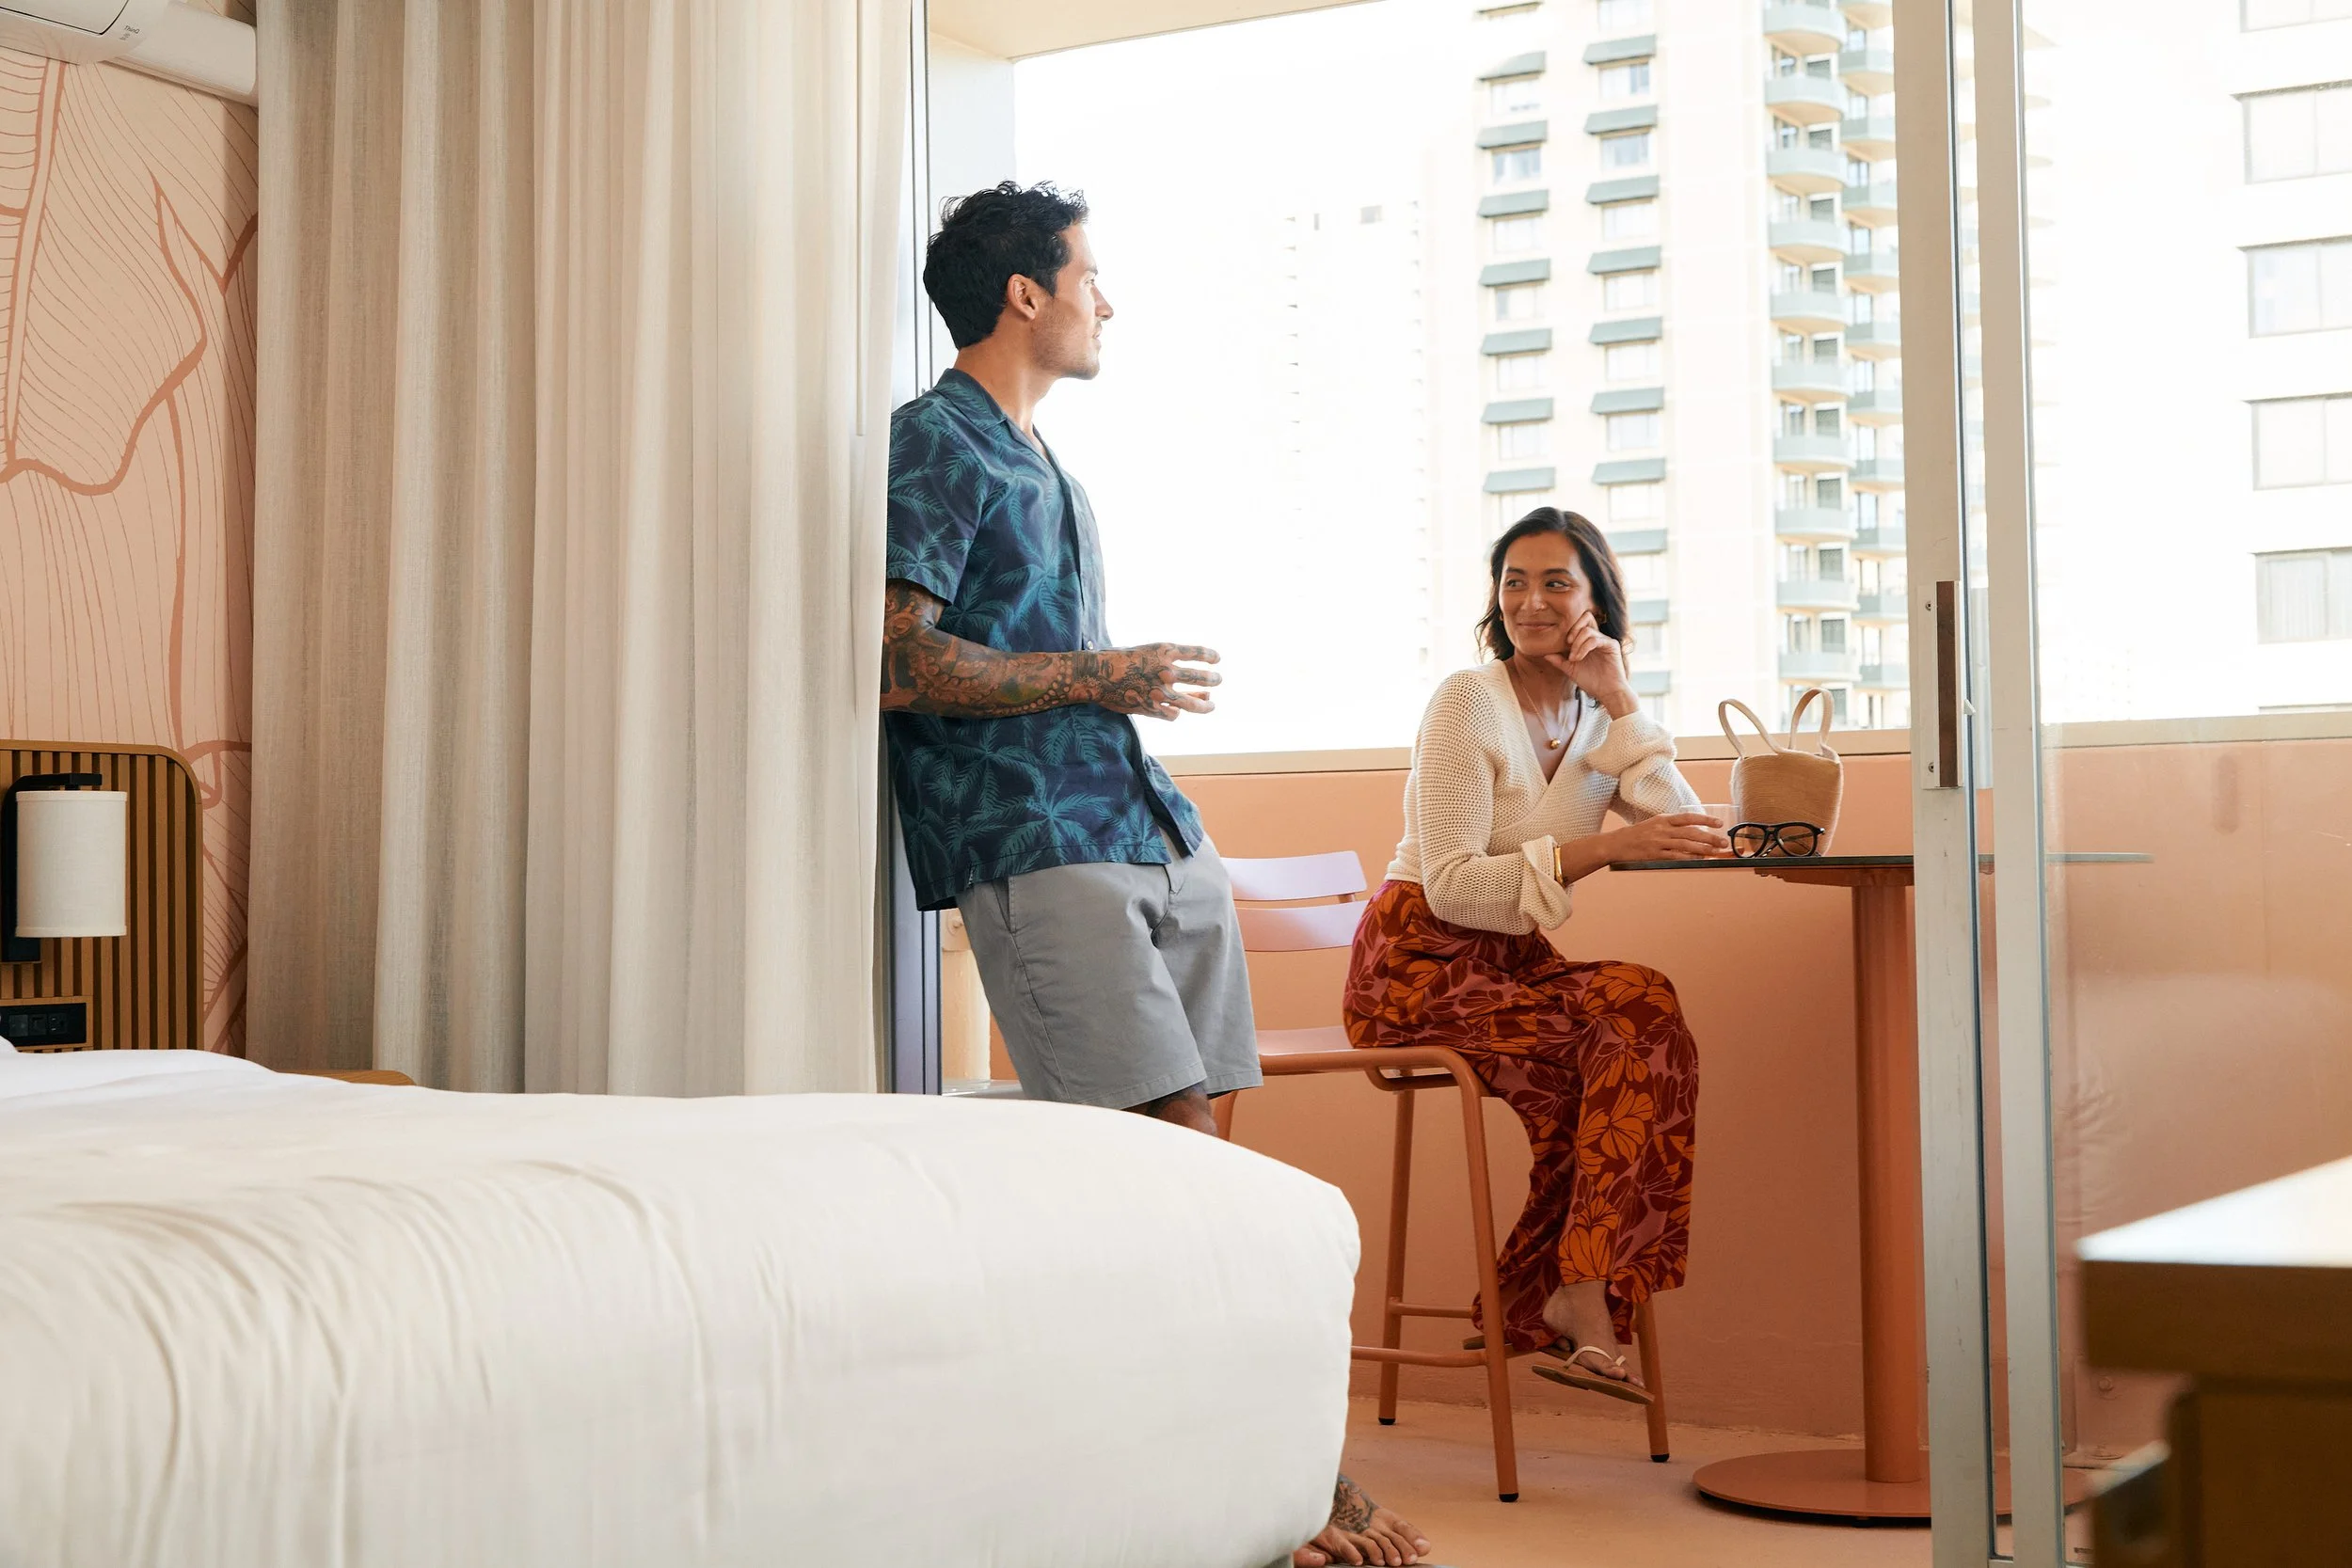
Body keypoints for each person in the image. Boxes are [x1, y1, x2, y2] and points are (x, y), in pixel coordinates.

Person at [881, 181, 1431, 1568]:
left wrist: (1131, 736)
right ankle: (1309, 1485)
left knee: (1213, 1198)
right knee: (1178, 1179)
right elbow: (901, 663)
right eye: (1089, 274)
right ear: (1027, 293)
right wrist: (1105, 672)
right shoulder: (932, 443)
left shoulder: (1048, 462)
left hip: (1150, 831)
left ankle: (1231, 1483)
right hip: (1037, 844)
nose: (1104, 298)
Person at [1343, 508, 1727, 1399]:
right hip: (1417, 966)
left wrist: (1623, 697)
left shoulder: (1599, 716)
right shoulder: (1466, 700)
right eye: (1514, 580)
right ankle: (1563, 1298)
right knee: (1604, 1056)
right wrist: (1603, 850)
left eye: (1556, 581)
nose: (1530, 600)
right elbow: (1451, 886)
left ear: (1597, 601)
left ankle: (1575, 1289)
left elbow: (1688, 822)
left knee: (1641, 1007)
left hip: (1511, 967)